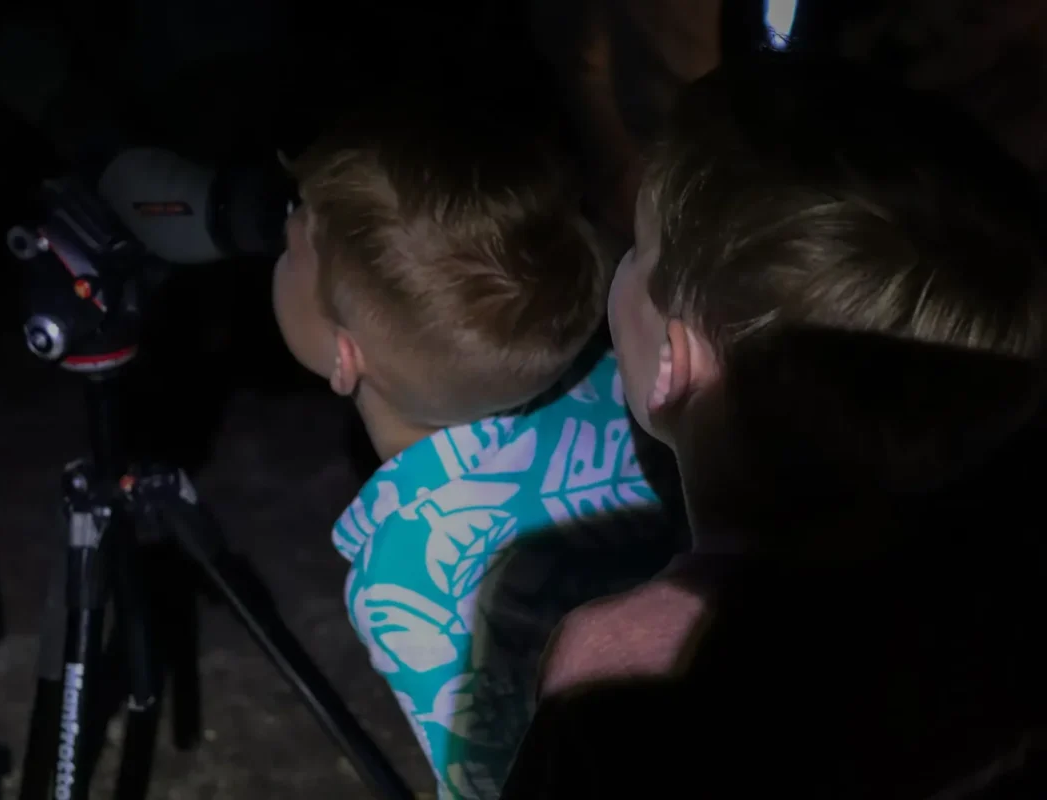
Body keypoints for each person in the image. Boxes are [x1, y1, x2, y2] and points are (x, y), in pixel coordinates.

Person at [501, 52, 1047, 797]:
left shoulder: (621, 667)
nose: (618, 259)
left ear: (673, 363)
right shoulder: (1003, 607)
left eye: (637, 246)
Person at [271, 88, 664, 798]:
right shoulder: (617, 389)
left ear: (344, 353)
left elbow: (492, 776)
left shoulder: (404, 574)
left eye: (292, 236)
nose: (281, 238)